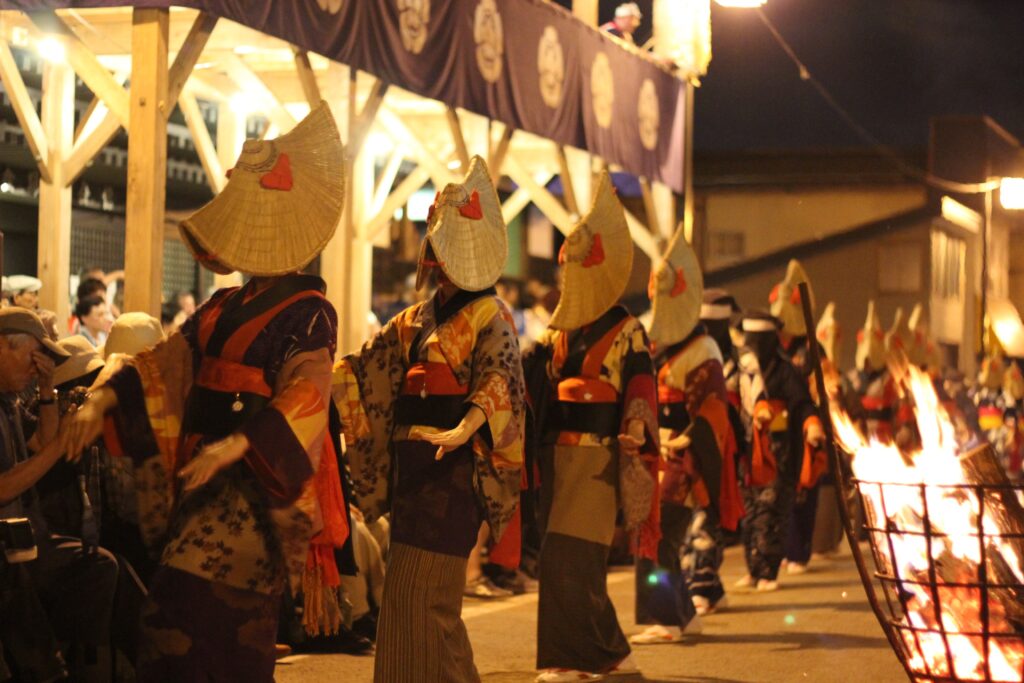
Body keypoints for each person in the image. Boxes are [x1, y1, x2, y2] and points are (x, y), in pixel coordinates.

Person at [65, 102, 348, 682]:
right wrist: (104, 395)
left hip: (255, 483)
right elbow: (162, 363)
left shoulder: (310, 312)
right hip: (202, 473)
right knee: (177, 615)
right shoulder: (220, 307)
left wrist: (240, 444)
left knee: (200, 613)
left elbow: (307, 393)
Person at [333, 155, 524, 683]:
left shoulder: (492, 315)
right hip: (414, 469)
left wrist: (469, 423)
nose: (438, 261)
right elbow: (364, 366)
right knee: (414, 604)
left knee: (425, 598)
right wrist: (315, 377)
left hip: (454, 470)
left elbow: (501, 378)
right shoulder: (416, 319)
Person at [526, 171, 657, 681]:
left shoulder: (629, 331)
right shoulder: (559, 333)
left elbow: (641, 385)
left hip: (599, 454)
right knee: (565, 558)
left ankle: (575, 659)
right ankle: (607, 651)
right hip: (558, 455)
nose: (565, 283)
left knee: (571, 557)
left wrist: (639, 427)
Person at [632, 230, 744, 646]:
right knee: (658, 537)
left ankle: (668, 618)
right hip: (658, 451)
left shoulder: (704, 350)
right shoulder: (665, 344)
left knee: (659, 538)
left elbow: (715, 410)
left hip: (681, 456)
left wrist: (689, 440)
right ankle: (681, 614)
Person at [0, 308, 124, 682]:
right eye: (33, 356)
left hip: (23, 536)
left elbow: (41, 442)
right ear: (4, 347)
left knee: (101, 566)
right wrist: (62, 441)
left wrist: (46, 389)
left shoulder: (9, 399)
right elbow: (4, 486)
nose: (38, 365)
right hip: (7, 545)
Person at [736, 311, 823, 592]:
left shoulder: (786, 371)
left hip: (781, 450)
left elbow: (801, 404)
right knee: (750, 511)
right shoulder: (742, 371)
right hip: (750, 448)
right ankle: (752, 568)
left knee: (773, 511)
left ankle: (768, 570)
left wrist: (810, 425)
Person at [769, 260, 828, 576]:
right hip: (779, 425)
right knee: (781, 488)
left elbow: (824, 388)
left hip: (807, 422)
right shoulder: (775, 347)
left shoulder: (813, 349)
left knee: (805, 488)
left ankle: (799, 551)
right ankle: (779, 548)